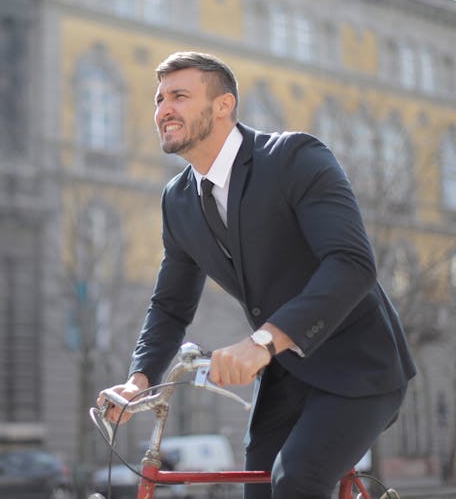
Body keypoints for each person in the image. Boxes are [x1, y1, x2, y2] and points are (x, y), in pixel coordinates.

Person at [98, 51, 416, 499]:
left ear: (223, 105)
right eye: (159, 99)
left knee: (297, 479)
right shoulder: (179, 200)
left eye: (179, 96)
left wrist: (262, 341)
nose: (163, 109)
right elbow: (170, 304)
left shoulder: (294, 157)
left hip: (360, 365)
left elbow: (352, 263)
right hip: (288, 377)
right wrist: (139, 380)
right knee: (258, 490)